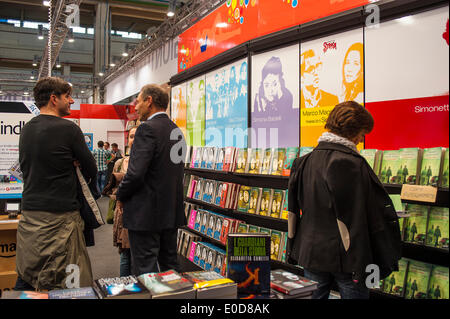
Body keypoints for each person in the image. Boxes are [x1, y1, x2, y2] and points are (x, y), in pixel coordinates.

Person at [287, 101, 402, 299]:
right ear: (352, 130)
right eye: (362, 134)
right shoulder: (350, 163)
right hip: (347, 259)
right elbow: (356, 217)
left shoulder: (303, 162)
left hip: (310, 252)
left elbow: (293, 211)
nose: (360, 140)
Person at [15, 77, 97, 291]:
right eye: (68, 96)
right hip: (61, 218)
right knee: (72, 279)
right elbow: (92, 169)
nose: (71, 101)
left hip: (30, 216)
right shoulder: (69, 129)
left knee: (30, 273)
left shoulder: (27, 129)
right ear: (54, 99)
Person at [116, 84, 187, 276]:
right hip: (171, 212)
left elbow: (135, 173)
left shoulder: (146, 129)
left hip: (146, 215)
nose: (136, 107)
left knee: (145, 272)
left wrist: (120, 195)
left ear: (149, 101)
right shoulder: (177, 131)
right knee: (170, 268)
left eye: (138, 101)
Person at [106, 127, 138, 277]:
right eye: (131, 136)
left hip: (141, 213)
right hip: (123, 213)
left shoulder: (148, 161)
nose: (134, 139)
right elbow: (111, 189)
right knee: (125, 254)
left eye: (137, 136)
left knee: (142, 255)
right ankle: (126, 288)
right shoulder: (120, 162)